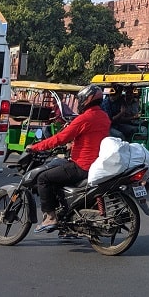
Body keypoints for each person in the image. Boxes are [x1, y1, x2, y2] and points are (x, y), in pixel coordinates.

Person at [27, 84, 111, 233]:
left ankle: (50, 217)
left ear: (87, 100)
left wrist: (36, 147)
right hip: (97, 164)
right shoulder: (104, 117)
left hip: (81, 166)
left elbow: (60, 137)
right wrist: (72, 146)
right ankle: (68, 227)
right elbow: (92, 138)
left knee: (43, 178)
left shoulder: (84, 118)